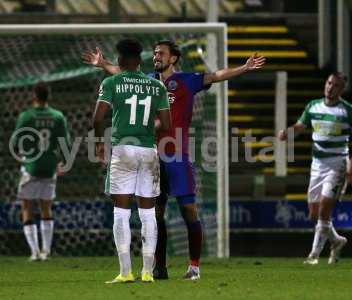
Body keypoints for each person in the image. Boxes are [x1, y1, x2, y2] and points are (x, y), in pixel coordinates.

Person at [84, 40, 265, 280]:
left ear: (174, 58)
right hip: (150, 154)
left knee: (188, 210)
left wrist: (244, 67)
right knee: (155, 214)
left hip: (176, 155)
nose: (156, 57)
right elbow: (123, 74)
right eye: (155, 53)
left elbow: (216, 76)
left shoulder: (186, 81)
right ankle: (159, 267)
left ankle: (194, 266)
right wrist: (102, 64)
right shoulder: (148, 80)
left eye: (161, 54)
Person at [93, 38, 171, 283]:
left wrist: (98, 144)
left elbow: (97, 118)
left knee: (121, 211)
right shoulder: (156, 86)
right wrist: (147, 126)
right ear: (140, 60)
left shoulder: (111, 82)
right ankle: (148, 272)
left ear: (119, 59)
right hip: (148, 150)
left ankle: (125, 272)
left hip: (123, 149)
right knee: (149, 213)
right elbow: (167, 124)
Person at [278, 72, 350, 264]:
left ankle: (314, 255)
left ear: (342, 89)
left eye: (335, 85)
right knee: (314, 213)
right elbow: (300, 126)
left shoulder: (347, 111)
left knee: (325, 210)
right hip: (317, 165)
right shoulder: (313, 106)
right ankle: (337, 241)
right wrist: (287, 133)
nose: (330, 87)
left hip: (338, 164)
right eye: (329, 83)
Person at [12, 82, 70, 261]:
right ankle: (46, 251)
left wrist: (22, 155)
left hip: (31, 166)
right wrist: (64, 162)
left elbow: (15, 143)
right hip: (50, 166)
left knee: (27, 206)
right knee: (46, 207)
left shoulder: (26, 116)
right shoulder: (58, 116)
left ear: (34, 96)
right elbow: (65, 143)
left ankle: (34, 252)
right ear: (48, 96)